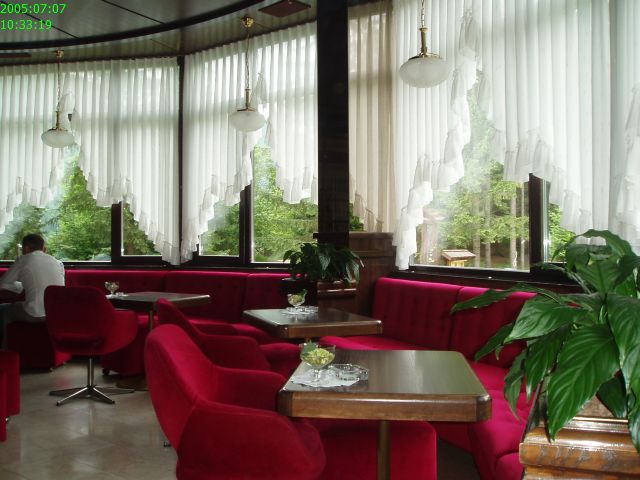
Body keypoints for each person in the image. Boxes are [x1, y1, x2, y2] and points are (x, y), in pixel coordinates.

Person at [0, 234, 65, 348]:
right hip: (56, 313)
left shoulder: (23, 259)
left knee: (3, 309)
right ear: (43, 248)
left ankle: (4, 351)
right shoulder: (57, 262)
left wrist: (21, 287)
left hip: (34, 313)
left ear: (26, 248)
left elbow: (3, 283)